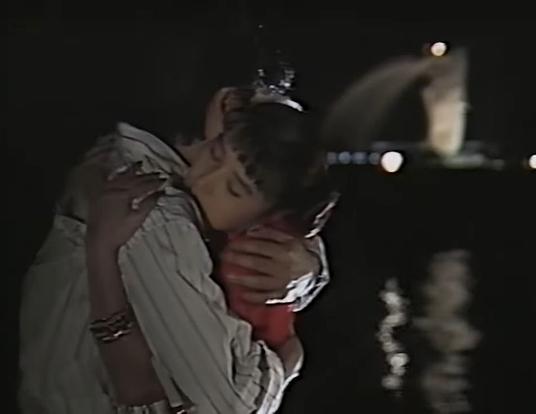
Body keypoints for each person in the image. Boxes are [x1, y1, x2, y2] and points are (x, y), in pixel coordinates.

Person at [18, 88, 333, 413]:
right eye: (216, 154)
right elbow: (227, 407)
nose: (202, 179)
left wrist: (311, 269)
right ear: (227, 106)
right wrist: (289, 362)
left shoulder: (151, 179)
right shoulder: (154, 212)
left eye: (233, 189)